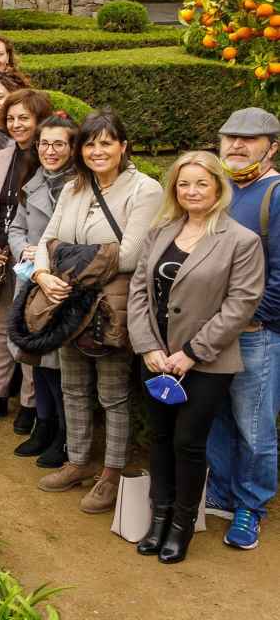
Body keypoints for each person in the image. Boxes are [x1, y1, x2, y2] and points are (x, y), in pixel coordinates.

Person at [129, 152, 262, 563]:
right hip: (156, 358)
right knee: (160, 438)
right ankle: (158, 517)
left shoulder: (241, 240)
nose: (192, 191)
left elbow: (241, 304)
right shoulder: (161, 231)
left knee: (188, 443)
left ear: (219, 187)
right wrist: (148, 346)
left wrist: (191, 353)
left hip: (205, 363)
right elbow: (138, 290)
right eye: (184, 184)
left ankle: (182, 525)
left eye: (202, 183)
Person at [31, 110, 162, 513]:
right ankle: (78, 460)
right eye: (90, 143)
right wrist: (41, 272)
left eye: (107, 142)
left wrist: (61, 261)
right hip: (67, 301)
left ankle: (111, 473)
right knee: (72, 385)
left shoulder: (145, 190)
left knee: (112, 392)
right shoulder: (74, 188)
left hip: (111, 306)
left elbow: (128, 256)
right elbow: (47, 239)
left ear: (123, 146)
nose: (97, 150)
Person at [205, 107, 280, 551]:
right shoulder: (219, 190)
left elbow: (279, 274)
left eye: (249, 140)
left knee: (255, 426)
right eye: (230, 137)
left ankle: (252, 504)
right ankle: (222, 489)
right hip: (210, 333)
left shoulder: (274, 195)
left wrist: (253, 319)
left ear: (271, 147)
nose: (237, 145)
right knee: (216, 415)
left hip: (255, 333)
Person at [0, 89, 53, 424]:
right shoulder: (0, 157)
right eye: (12, 119)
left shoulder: (50, 159)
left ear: (39, 120)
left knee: (29, 330)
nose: (17, 125)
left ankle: (30, 404)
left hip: (34, 261)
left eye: (24, 118)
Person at [10, 114, 79, 466]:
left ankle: (65, 436)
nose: (50, 151)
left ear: (72, 147)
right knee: (37, 359)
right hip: (34, 280)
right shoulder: (33, 179)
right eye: (44, 143)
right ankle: (44, 423)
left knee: (61, 366)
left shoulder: (81, 184)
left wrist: (44, 255)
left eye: (58, 144)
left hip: (64, 283)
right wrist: (25, 247)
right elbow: (16, 226)